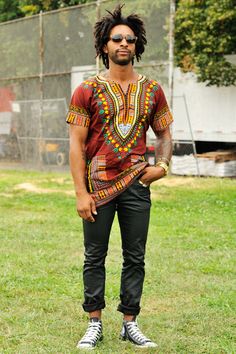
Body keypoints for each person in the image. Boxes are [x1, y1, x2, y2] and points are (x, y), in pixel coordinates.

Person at [66, 4, 173, 350]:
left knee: (135, 256)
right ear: (104, 46)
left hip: (137, 186)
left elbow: (165, 134)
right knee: (94, 256)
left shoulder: (153, 89)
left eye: (129, 39)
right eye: (117, 38)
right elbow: (76, 146)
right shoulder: (86, 90)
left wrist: (162, 166)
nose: (123, 43)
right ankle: (94, 322)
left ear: (137, 45)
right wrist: (81, 193)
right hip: (97, 188)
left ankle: (130, 322)